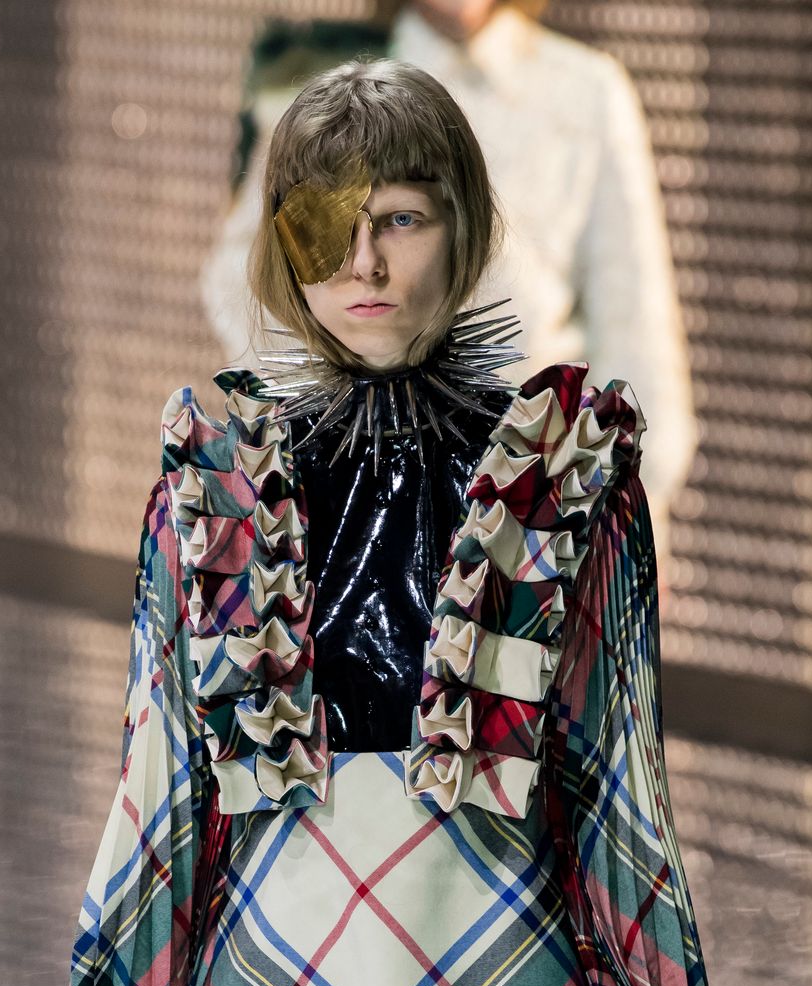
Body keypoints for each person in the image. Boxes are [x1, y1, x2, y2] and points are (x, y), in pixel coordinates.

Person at [46, 57, 729, 986]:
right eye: (328, 222)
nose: (362, 261)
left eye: (403, 218)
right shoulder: (218, 475)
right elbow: (160, 807)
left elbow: (619, 808)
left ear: (465, 230)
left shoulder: (566, 480)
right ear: (281, 238)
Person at [201, 0, 698, 576]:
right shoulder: (332, 81)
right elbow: (240, 274)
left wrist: (628, 522)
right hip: (353, 492)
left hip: (532, 504)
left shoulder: (587, 91)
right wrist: (340, 393)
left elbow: (634, 326)